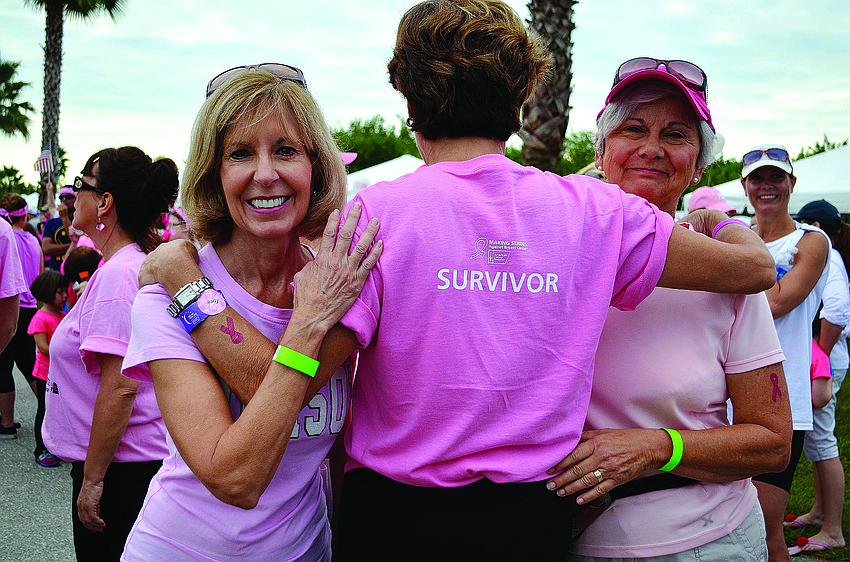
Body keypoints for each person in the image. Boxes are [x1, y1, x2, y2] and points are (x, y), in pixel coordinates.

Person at [139, 3, 776, 558]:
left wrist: (183, 285)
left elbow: (278, 384)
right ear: (522, 101)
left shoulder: (373, 219)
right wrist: (720, 223)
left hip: (393, 519)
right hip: (532, 519)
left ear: (411, 103)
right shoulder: (598, 213)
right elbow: (753, 270)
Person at [119, 65, 381, 561]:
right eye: (240, 153)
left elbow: (337, 444)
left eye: (286, 150)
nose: (265, 173)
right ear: (214, 176)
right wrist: (306, 323)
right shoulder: (163, 298)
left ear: (317, 166)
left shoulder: (344, 282)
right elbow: (234, 477)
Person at [539, 58, 790, 561]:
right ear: (601, 150)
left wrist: (658, 446)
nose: (651, 149)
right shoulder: (545, 255)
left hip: (712, 542)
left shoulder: (728, 278)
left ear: (698, 165)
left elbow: (771, 443)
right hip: (570, 541)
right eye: (633, 128)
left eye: (675, 135)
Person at [42, 146, 178, 560]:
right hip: (124, 466)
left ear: (104, 202)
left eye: (81, 185)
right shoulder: (122, 265)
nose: (73, 196)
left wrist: (93, 480)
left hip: (121, 472)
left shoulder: (119, 275)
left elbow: (120, 387)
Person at [740, 144, 831, 561]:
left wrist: (724, 270)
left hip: (784, 399)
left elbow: (777, 303)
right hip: (727, 400)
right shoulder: (740, 238)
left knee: (767, 526)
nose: (767, 186)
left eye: (776, 177)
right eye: (757, 178)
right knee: (726, 524)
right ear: (745, 186)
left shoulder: (812, 241)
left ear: (792, 183)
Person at [785, 199, 848, 553]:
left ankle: (834, 531)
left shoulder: (826, 253)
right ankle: (820, 513)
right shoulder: (829, 252)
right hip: (819, 359)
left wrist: (818, 353)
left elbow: (837, 307)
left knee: (822, 443)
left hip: (821, 361)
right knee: (816, 443)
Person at [0, 194, 43, 439]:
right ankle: (48, 409)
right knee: (29, 364)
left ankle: (6, 423)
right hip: (29, 306)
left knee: (4, 365)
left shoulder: (6, 235)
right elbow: (38, 275)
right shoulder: (33, 241)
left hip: (9, 304)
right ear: (25, 216)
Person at [26, 269, 67, 467]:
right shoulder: (40, 318)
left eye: (65, 291)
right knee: (44, 410)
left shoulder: (63, 315)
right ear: (48, 292)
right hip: (45, 374)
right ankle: (40, 449)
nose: (65, 295)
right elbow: (43, 348)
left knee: (58, 411)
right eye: (60, 292)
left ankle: (55, 446)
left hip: (60, 373)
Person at [0, 216, 26, 432]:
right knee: (20, 365)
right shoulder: (4, 231)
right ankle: (7, 422)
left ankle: (7, 422)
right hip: (28, 303)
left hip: (20, 303)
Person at [42, 184, 75, 271]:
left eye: (68, 196)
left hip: (74, 270)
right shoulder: (52, 222)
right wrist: (71, 245)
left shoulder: (81, 220)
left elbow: (78, 241)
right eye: (61, 197)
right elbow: (46, 248)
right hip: (55, 270)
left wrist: (65, 218)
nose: (64, 199)